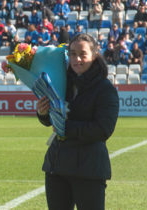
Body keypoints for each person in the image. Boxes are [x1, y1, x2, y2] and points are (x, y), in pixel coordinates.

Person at [37, 33, 119, 210]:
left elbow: (103, 130)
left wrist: (65, 128)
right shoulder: (61, 82)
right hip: (57, 167)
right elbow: (52, 120)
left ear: (95, 55)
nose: (77, 59)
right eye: (73, 54)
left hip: (88, 169)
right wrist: (43, 113)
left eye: (82, 54)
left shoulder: (105, 89)